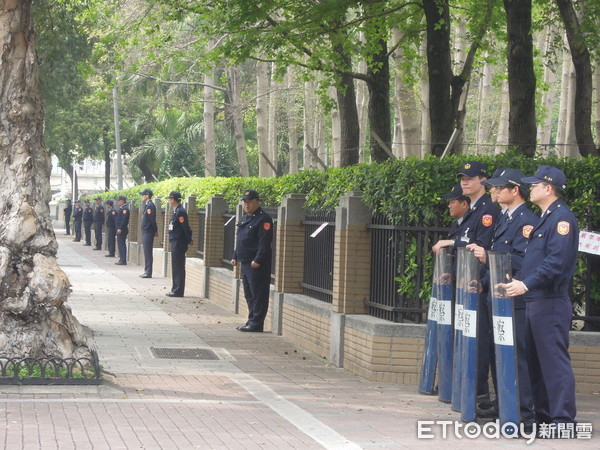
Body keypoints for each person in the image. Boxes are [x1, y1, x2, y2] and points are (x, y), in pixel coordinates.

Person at [501, 166, 578, 426]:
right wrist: (519, 280)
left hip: (551, 301)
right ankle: (544, 417)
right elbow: (536, 260)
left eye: (534, 185)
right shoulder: (547, 217)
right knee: (536, 363)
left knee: (553, 362)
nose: (529, 188)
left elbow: (556, 262)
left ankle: (562, 420)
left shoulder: (562, 220)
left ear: (548, 188)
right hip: (537, 300)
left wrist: (526, 284)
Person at [467, 169, 538, 425]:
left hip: (513, 300)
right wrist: (483, 283)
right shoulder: (505, 219)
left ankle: (523, 411)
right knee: (499, 353)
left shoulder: (525, 221)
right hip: (497, 298)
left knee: (517, 356)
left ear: (515, 190)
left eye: (499, 187)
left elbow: (524, 260)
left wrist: (489, 257)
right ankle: (505, 402)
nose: (494, 191)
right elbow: (499, 258)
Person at [432, 161, 501, 406]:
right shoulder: (473, 208)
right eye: (463, 177)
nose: (465, 182)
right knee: (467, 335)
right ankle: (468, 387)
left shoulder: (488, 209)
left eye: (470, 178)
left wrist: (450, 244)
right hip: (465, 282)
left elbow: (479, 243)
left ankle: (479, 391)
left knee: (478, 339)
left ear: (483, 179)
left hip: (478, 281)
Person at [231, 189, 274, 332]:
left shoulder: (264, 219)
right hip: (245, 261)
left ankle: (256, 323)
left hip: (256, 264)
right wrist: (235, 256)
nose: (246, 204)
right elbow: (240, 239)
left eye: (249, 202)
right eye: (244, 202)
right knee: (249, 293)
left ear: (257, 202)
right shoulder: (244, 218)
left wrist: (258, 260)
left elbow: (264, 243)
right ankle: (251, 320)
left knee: (258, 294)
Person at [166, 191, 192, 297]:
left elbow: (185, 227)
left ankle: (178, 290)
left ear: (173, 199)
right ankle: (175, 288)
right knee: (176, 266)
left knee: (178, 266)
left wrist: (188, 239)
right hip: (175, 241)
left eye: (169, 199)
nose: (168, 201)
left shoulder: (180, 212)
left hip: (179, 242)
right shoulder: (176, 211)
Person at [432, 183, 470, 254]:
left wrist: (451, 242)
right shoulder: (457, 224)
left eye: (452, 202)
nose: (449, 206)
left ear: (464, 204)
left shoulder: (472, 223)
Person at [139, 188, 158, 278]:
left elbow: (152, 220)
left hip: (148, 231)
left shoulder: (150, 206)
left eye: (143, 195)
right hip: (146, 231)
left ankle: (148, 271)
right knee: (146, 251)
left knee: (148, 251)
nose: (142, 196)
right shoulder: (147, 205)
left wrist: (155, 230)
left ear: (147, 195)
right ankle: (146, 270)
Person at [115, 195, 130, 265]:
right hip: (119, 229)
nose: (117, 202)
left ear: (122, 201)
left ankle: (123, 260)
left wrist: (120, 228)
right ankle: (121, 258)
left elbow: (124, 220)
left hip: (122, 230)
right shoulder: (121, 208)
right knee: (120, 244)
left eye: (118, 201)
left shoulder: (125, 209)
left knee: (122, 244)